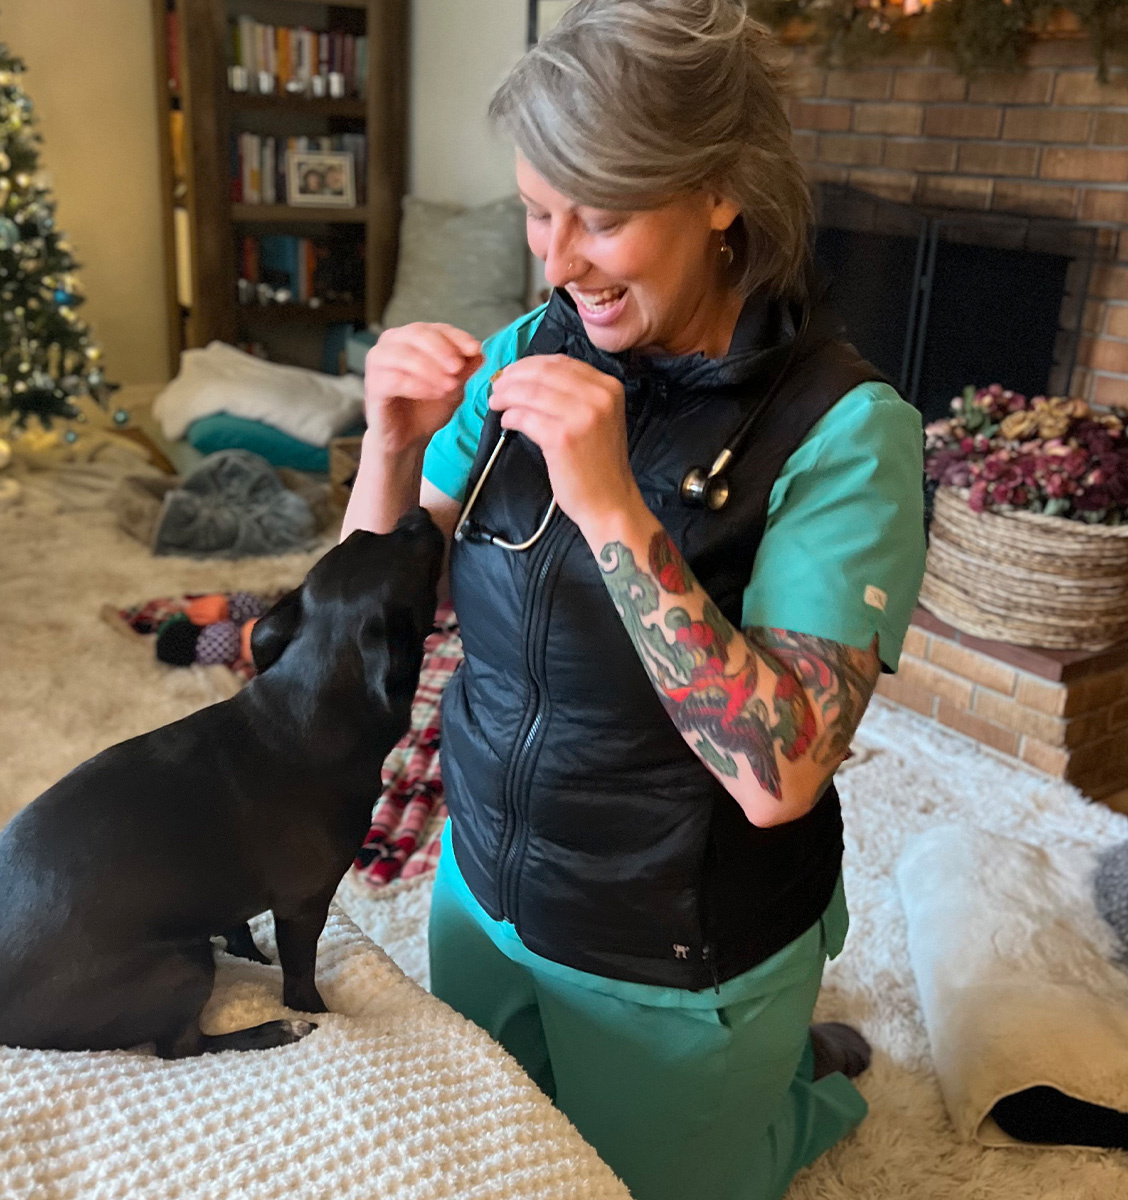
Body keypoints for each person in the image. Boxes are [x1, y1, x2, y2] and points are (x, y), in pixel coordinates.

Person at [342, 2, 926, 1196]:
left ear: (719, 193)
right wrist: (389, 449)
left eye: (600, 218)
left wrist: (615, 508)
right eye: (537, 210)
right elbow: (364, 628)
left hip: (678, 950)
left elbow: (782, 776)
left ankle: (788, 1092)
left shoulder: (850, 434)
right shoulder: (528, 346)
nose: (554, 261)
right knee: (505, 1151)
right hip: (485, 891)